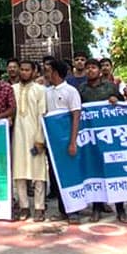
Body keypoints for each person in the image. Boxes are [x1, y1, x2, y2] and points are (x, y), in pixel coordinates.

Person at [77, 59, 127, 224]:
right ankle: (96, 208)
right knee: (95, 172)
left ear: (100, 70)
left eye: (93, 67)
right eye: (88, 68)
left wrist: (116, 99)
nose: (90, 70)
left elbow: (123, 105)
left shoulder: (110, 87)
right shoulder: (82, 89)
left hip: (110, 137)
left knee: (114, 171)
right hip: (91, 138)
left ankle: (121, 209)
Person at [45, 59, 82, 224]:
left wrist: (73, 142)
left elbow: (76, 116)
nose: (45, 73)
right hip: (52, 143)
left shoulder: (71, 91)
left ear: (55, 72)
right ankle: (62, 210)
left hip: (67, 140)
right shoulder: (47, 92)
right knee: (56, 176)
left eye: (47, 70)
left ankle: (74, 211)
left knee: (70, 175)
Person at [11, 60, 49, 222]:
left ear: (34, 72)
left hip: (35, 138)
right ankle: (24, 206)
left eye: (27, 70)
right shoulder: (11, 89)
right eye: (22, 69)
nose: (24, 72)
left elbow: (43, 115)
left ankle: (39, 208)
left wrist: (40, 140)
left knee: (38, 173)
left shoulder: (41, 90)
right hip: (18, 138)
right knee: (19, 173)